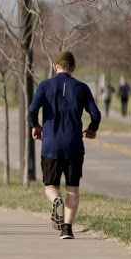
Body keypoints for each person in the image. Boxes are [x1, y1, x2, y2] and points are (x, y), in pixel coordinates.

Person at [28, 51, 101, 239]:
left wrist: (35, 125)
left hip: (50, 145)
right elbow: (95, 114)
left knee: (50, 186)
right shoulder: (82, 88)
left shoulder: (45, 86)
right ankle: (67, 229)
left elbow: (32, 110)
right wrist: (92, 128)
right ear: (73, 68)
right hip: (74, 146)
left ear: (55, 67)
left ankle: (56, 200)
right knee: (73, 189)